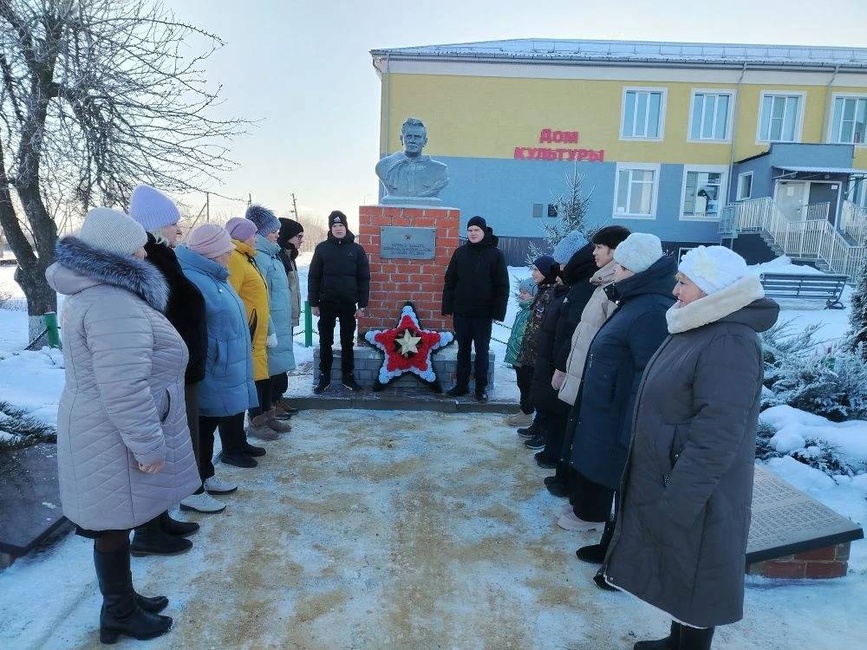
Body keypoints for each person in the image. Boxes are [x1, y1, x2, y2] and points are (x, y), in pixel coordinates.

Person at [603, 246, 779, 650]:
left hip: (699, 487)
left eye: (683, 282)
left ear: (711, 288)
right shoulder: (698, 325)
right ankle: (676, 639)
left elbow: (718, 433)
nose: (675, 289)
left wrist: (682, 495)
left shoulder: (729, 340)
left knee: (699, 572)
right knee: (681, 568)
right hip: (676, 475)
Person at [45, 207, 200, 643]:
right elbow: (124, 387)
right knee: (113, 524)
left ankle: (123, 601)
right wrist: (149, 446)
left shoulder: (99, 295)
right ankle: (118, 612)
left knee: (116, 519)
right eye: (138, 248)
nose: (146, 255)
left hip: (101, 426)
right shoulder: (112, 304)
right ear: (116, 254)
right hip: (111, 432)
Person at [561, 234, 675, 543]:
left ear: (638, 270)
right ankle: (591, 513)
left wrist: (631, 426)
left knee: (608, 463)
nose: (615, 272)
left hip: (618, 407)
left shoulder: (651, 310)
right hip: (605, 400)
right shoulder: (634, 301)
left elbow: (646, 375)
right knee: (594, 456)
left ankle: (602, 527)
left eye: (621, 267)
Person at [127, 184, 207, 556]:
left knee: (172, 443)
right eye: (174, 222)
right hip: (162, 373)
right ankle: (147, 531)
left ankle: (159, 518)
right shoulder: (150, 262)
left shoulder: (164, 256)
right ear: (156, 225)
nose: (180, 227)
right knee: (157, 447)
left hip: (177, 370)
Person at [545, 226, 631, 507]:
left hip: (592, 373)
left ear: (615, 251)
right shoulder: (599, 282)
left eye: (599, 248)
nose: (594, 253)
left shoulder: (614, 286)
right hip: (579, 366)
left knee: (582, 432)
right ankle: (569, 482)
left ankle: (578, 493)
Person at [176, 225, 259, 499]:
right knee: (202, 427)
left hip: (221, 366)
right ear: (212, 252)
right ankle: (195, 488)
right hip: (210, 368)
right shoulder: (194, 279)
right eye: (226, 250)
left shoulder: (214, 277)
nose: (230, 255)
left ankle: (206, 476)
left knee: (208, 426)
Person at [532, 238, 598, 469]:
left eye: (562, 263)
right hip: (554, 356)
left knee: (559, 412)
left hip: (562, 361)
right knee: (552, 408)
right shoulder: (568, 289)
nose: (559, 268)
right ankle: (551, 449)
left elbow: (573, 331)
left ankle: (556, 456)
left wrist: (560, 364)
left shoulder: (581, 290)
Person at [224, 216, 284, 442]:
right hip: (248, 331)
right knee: (255, 381)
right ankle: (256, 422)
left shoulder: (248, 257)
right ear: (241, 236)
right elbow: (232, 295)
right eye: (252, 235)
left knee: (263, 378)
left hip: (258, 331)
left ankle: (267, 416)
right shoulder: (235, 259)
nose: (256, 239)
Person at [441, 215, 509, 402]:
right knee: (462, 350)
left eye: (476, 230)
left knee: (481, 351)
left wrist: (498, 312)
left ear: (484, 231)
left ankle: (480, 388)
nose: (473, 233)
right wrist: (448, 305)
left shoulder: (495, 255)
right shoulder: (460, 253)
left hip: (483, 314)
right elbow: (450, 281)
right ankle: (461, 385)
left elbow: (502, 286)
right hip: (462, 312)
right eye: (470, 230)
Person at [308, 210, 371, 393]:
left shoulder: (356, 250)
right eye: (334, 226)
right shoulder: (322, 248)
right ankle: (324, 376)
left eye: (340, 225)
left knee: (347, 342)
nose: (338, 228)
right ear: (330, 228)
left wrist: (362, 305)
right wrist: (314, 303)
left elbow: (363, 278)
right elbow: (314, 277)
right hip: (326, 302)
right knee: (325, 341)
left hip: (348, 303)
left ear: (346, 227)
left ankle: (347, 376)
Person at [247, 205, 296, 429]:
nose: (277, 234)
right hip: (268, 326)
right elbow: (260, 297)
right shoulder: (260, 257)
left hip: (278, 322)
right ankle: (259, 416)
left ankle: (269, 412)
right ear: (259, 232)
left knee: (271, 372)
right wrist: (268, 328)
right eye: (273, 231)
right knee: (263, 373)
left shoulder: (272, 255)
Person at [514, 255, 563, 451]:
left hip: (542, 354)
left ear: (546, 272)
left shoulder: (552, 294)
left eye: (536, 269)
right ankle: (537, 425)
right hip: (532, 352)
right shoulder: (543, 291)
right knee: (534, 391)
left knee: (543, 395)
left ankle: (543, 431)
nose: (533, 273)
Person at [375, 117, 449, 201]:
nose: (412, 140)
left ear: (425, 141)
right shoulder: (384, 165)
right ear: (401, 139)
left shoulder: (439, 170)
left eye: (417, 137)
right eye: (408, 136)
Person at [274, 217, 305, 417]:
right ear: (287, 236)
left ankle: (278, 398)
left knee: (283, 360)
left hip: (287, 317)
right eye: (298, 236)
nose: (301, 240)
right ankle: (272, 401)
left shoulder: (289, 256)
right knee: (276, 361)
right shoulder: (278, 257)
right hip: (279, 318)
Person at [503, 278, 537, 427]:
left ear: (534, 295)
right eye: (520, 292)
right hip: (517, 355)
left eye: (525, 293)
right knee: (521, 383)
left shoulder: (532, 312)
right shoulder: (523, 311)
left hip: (524, 357)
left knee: (526, 385)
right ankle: (524, 411)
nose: (521, 295)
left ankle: (527, 414)